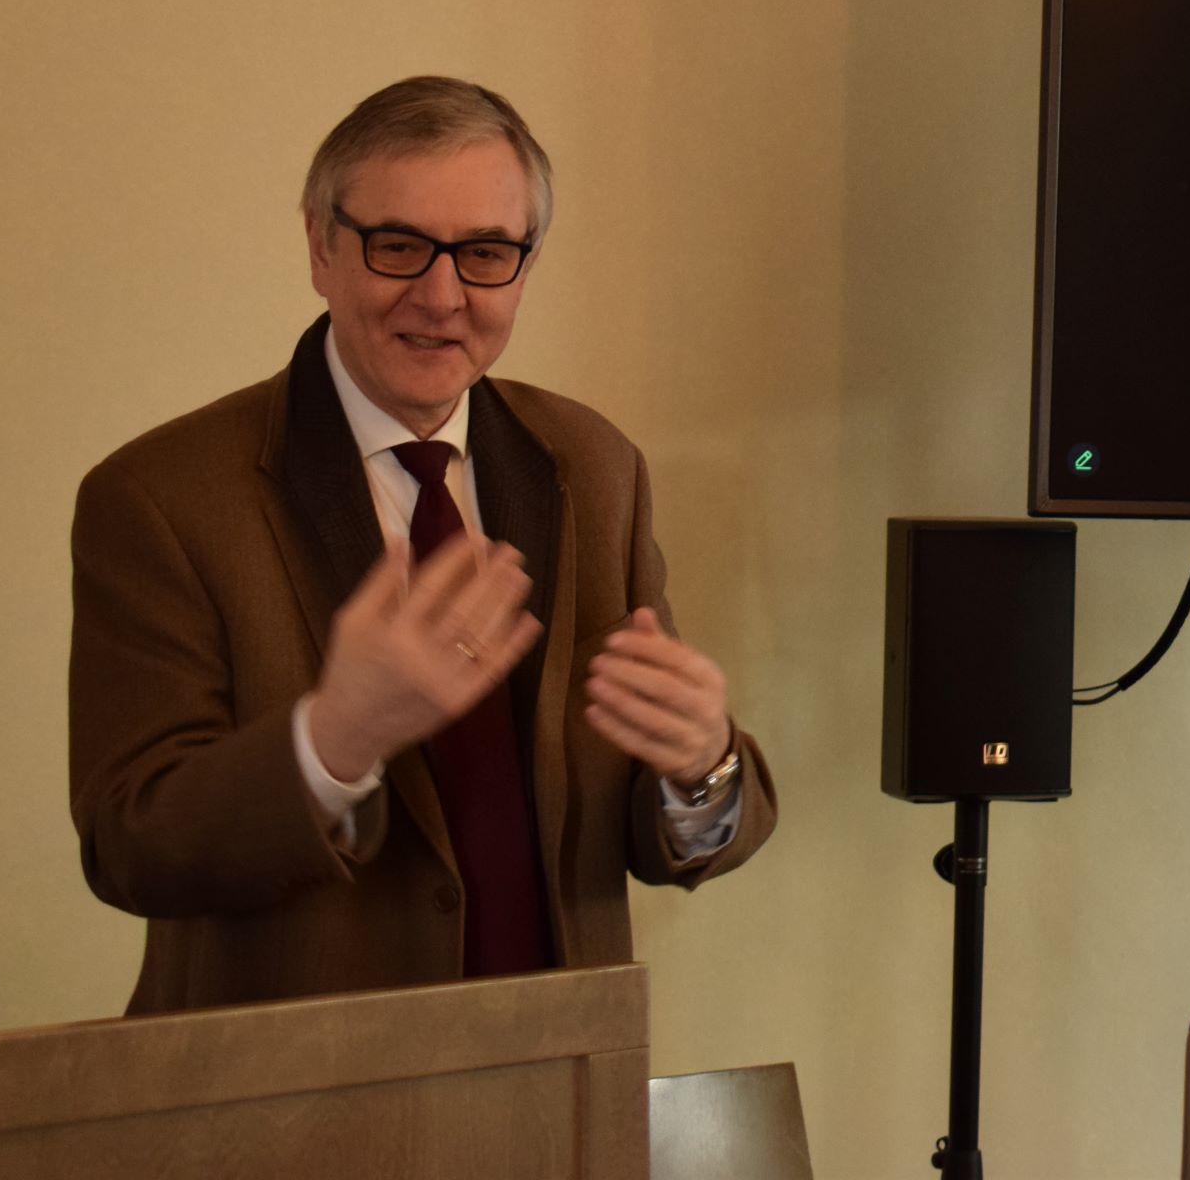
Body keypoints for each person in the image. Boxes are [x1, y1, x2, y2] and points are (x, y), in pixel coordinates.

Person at [68, 77, 774, 1013]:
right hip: (297, 1088)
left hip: (555, 1069)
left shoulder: (595, 466)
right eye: (398, 246)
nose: (442, 296)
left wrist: (701, 765)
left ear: (524, 266)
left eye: (484, 253)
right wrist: (335, 739)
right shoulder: (160, 495)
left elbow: (657, 828)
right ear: (321, 247)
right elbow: (129, 848)